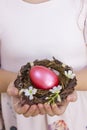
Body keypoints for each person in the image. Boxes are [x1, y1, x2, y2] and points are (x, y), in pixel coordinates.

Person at [0, 0, 87, 130]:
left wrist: (65, 87)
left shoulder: (81, 5)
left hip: (77, 115)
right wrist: (21, 86)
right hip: (18, 116)